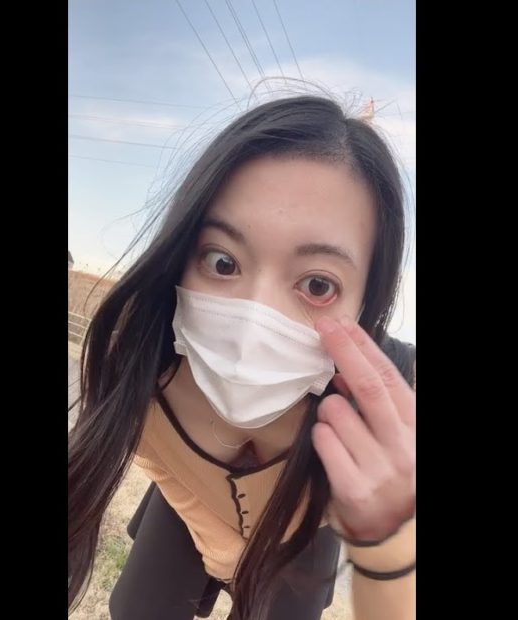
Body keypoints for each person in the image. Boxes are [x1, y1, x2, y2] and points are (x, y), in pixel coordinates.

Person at [68, 95, 416, 620]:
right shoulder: (138, 359)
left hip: (300, 537)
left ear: (366, 305)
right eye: (222, 261)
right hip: (186, 509)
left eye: (318, 284)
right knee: (137, 608)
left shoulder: (395, 403)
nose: (255, 321)